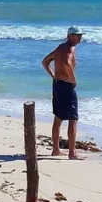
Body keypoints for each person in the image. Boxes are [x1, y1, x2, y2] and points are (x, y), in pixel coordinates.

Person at [42, 26, 84, 160]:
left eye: (80, 35)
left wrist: (53, 75)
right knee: (73, 119)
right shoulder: (70, 48)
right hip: (66, 85)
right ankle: (72, 153)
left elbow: (45, 61)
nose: (80, 37)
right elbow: (67, 62)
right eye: (78, 35)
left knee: (58, 117)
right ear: (70, 36)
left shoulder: (60, 47)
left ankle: (56, 150)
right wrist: (73, 79)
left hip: (57, 84)